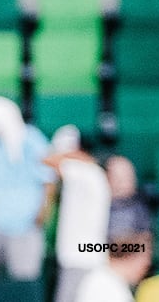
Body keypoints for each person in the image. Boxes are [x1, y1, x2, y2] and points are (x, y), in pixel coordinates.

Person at [0, 96, 54, 282]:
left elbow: (48, 181)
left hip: (27, 222)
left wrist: (43, 212)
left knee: (25, 279)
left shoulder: (34, 139)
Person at [45, 125, 111, 302]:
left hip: (80, 258)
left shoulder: (85, 172)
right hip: (83, 256)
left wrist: (68, 155)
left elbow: (48, 161)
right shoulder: (90, 173)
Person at [75, 234, 152, 302]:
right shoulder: (107, 285)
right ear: (131, 258)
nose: (144, 271)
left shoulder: (103, 279)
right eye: (144, 266)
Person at [107, 153, 154, 240]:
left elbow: (145, 240)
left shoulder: (140, 209)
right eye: (117, 178)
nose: (121, 184)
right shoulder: (98, 208)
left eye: (126, 177)